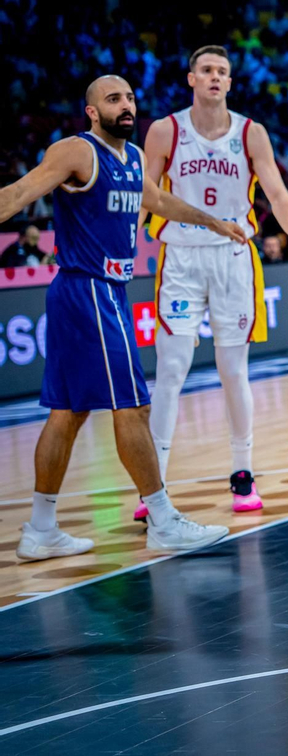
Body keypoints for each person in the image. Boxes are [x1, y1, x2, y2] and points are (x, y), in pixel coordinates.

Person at [0, 75, 237, 562]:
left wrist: (214, 222)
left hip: (92, 293)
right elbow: (18, 195)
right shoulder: (75, 151)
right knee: (133, 407)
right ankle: (163, 520)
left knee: (68, 412)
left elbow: (160, 201)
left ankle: (41, 528)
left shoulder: (129, 158)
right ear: (91, 111)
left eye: (129, 97)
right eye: (113, 100)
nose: (125, 106)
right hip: (89, 289)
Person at [141, 46, 288, 518]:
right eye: (207, 70)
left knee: (233, 369)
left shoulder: (250, 133)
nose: (215, 77)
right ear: (191, 78)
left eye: (222, 71)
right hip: (180, 257)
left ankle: (243, 472)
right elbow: (145, 194)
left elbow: (277, 193)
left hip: (233, 256)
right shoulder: (165, 131)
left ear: (230, 82)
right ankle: (152, 483)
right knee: (171, 370)